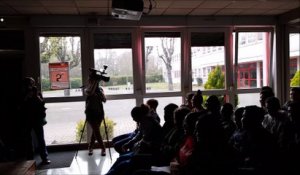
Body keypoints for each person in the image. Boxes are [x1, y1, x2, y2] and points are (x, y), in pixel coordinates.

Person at [22, 77, 50, 164]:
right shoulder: (23, 94)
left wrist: (36, 96)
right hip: (28, 118)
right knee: (29, 139)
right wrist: (27, 96)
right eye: (30, 84)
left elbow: (42, 103)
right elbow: (21, 104)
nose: (30, 86)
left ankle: (43, 157)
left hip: (35, 119)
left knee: (40, 138)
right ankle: (31, 158)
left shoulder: (37, 93)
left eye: (31, 84)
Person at [84, 69, 106, 156]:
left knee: (95, 132)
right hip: (90, 114)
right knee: (96, 131)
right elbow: (90, 92)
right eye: (91, 80)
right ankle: (103, 148)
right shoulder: (87, 89)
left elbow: (104, 100)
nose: (92, 81)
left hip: (99, 113)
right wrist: (94, 84)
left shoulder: (100, 89)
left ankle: (90, 147)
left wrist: (100, 93)